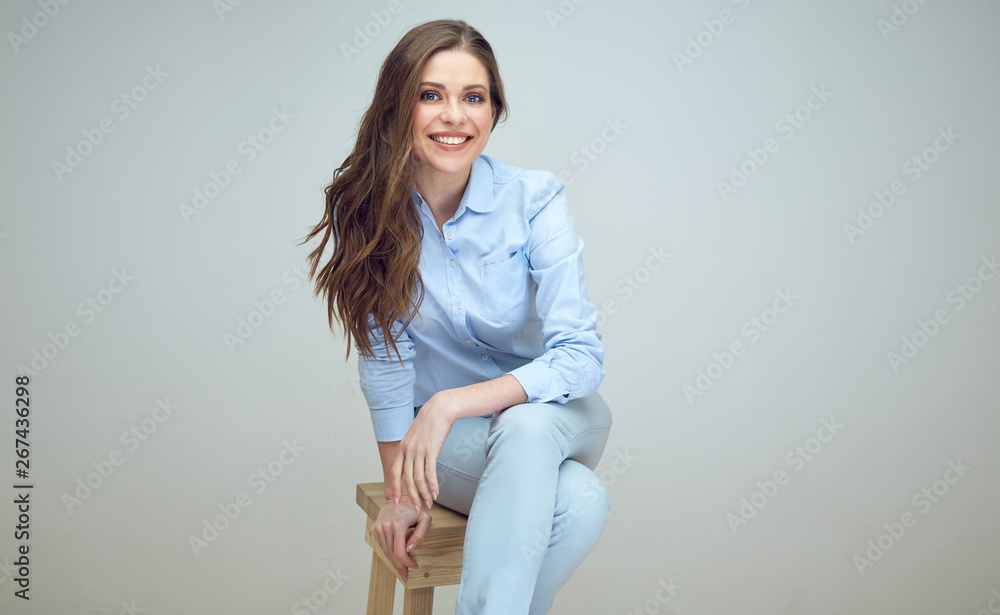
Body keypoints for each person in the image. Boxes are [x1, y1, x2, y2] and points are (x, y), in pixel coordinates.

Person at [304, 18, 612, 614]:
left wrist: (448, 403)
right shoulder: (368, 212)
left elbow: (580, 356)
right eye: (431, 95)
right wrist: (400, 493)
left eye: (474, 97)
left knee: (527, 425)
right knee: (582, 503)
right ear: (399, 107)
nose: (455, 116)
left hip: (558, 415)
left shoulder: (535, 198)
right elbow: (385, 366)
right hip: (454, 444)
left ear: (495, 110)